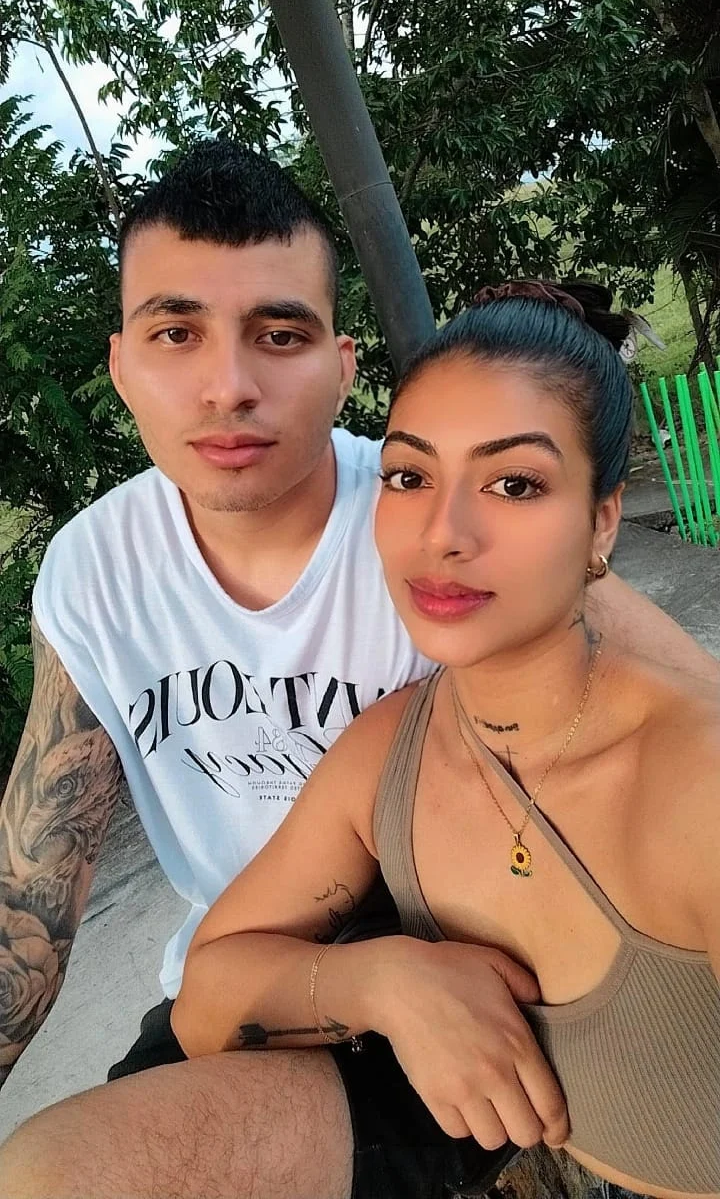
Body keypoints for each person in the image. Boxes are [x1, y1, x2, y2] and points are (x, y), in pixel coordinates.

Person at [2, 279, 718, 1199]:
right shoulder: (392, 749)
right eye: (409, 477)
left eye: (515, 484)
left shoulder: (692, 784)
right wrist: (380, 982)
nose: (443, 534)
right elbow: (208, 993)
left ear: (603, 520)